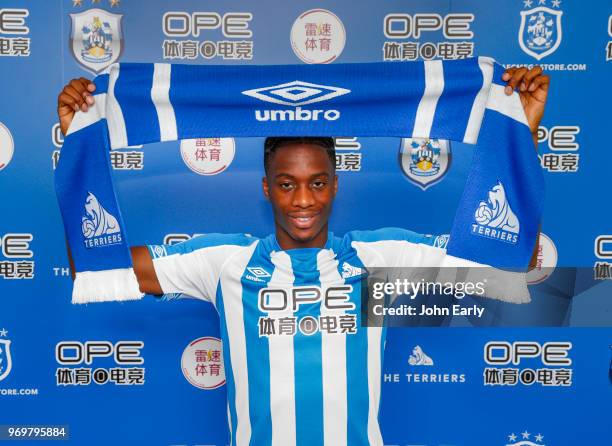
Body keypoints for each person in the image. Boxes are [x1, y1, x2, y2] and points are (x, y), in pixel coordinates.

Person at [57, 66, 549, 446]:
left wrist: (519, 138)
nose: (303, 201)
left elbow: (508, 261)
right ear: (266, 188)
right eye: (287, 185)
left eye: (316, 183)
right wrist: (79, 145)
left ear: (335, 185)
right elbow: (98, 266)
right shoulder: (225, 263)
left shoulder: (378, 259)